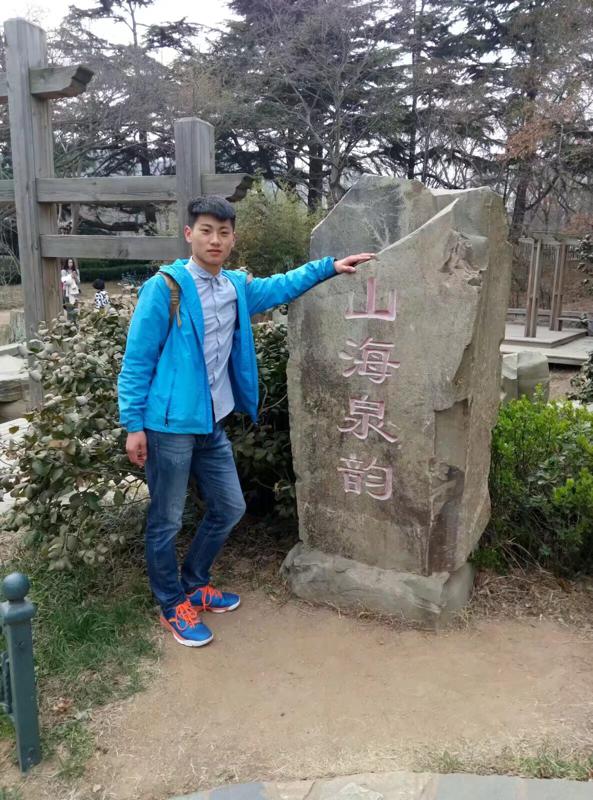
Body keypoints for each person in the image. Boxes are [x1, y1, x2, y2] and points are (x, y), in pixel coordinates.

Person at [118, 195, 374, 648]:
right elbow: (137, 360)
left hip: (211, 423)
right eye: (206, 231)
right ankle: (171, 603)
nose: (214, 240)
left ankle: (195, 584)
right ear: (189, 235)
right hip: (168, 426)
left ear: (233, 239)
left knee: (230, 507)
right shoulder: (165, 288)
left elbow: (281, 286)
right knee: (166, 520)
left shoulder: (235, 287)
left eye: (223, 232)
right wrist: (133, 424)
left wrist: (331, 267)